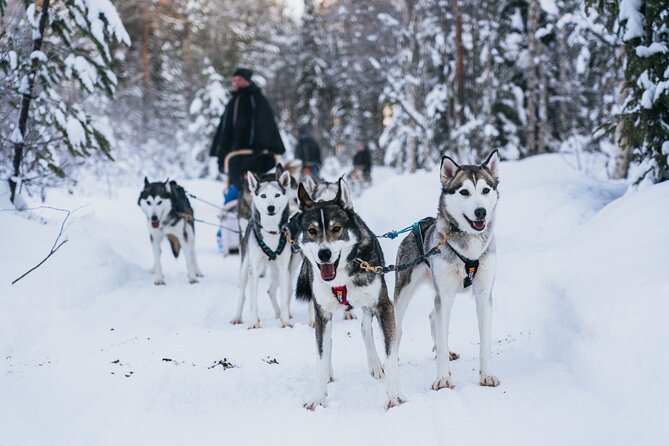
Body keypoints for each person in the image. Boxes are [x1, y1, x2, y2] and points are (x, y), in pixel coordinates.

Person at [209, 67, 285, 234]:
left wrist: (255, 158)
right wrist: (222, 156)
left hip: (257, 161)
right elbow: (225, 131)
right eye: (233, 80)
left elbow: (264, 128)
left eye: (239, 80)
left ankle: (269, 230)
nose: (235, 83)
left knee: (257, 193)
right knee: (233, 194)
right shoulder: (233, 102)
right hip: (235, 161)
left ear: (247, 81)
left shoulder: (256, 100)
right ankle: (227, 234)